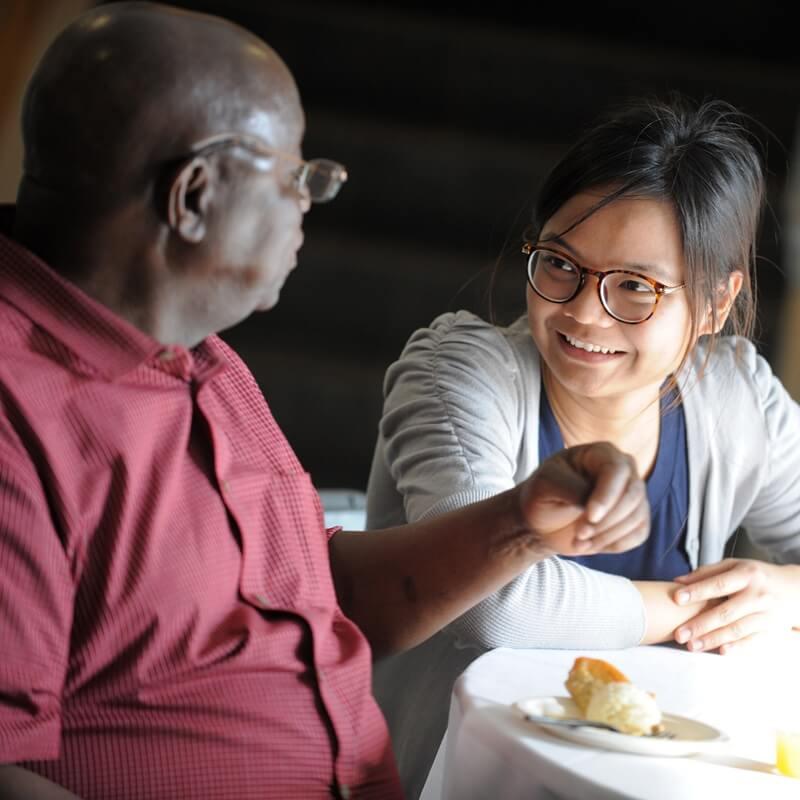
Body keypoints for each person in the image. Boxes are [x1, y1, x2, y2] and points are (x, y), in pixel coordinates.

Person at [0, 3, 654, 799]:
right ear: (194, 196)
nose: (311, 201)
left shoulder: (197, 357)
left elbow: (318, 595)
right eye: (296, 177)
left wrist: (522, 520)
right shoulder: (19, 409)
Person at [366, 93, 800, 798]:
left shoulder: (735, 398)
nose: (581, 311)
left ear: (715, 306)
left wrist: (781, 590)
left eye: (635, 287)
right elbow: (496, 603)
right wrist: (699, 608)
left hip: (652, 775)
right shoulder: (460, 374)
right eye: (561, 264)